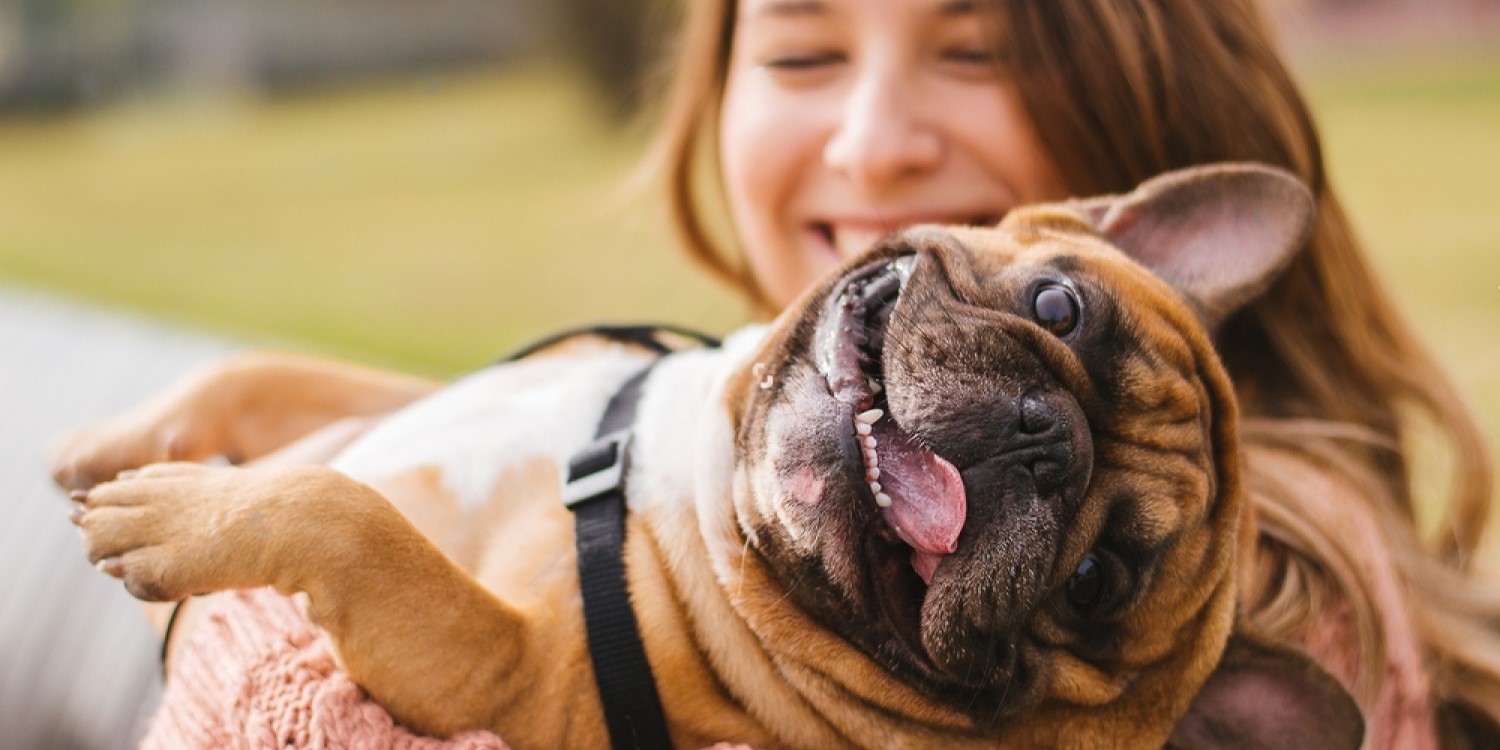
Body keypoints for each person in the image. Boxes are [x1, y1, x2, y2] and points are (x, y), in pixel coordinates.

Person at [81, 0, 1500, 748]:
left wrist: (246, 586)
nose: (874, 142)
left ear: (1144, 129)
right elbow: (504, 450)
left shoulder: (1287, 592)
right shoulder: (745, 421)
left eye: (1095, 577)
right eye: (805, 49)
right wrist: (304, 415)